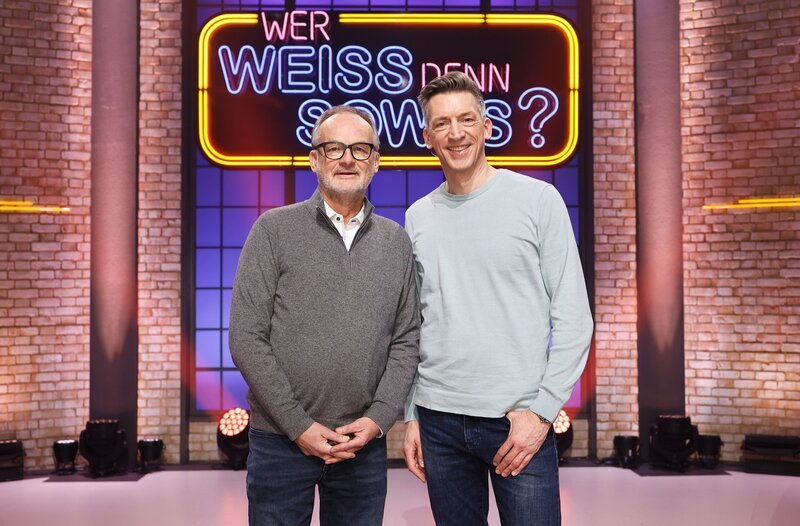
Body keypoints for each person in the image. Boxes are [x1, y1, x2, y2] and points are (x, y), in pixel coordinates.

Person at [402, 71, 593, 525]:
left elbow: (575, 319)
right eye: (442, 123)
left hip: (518, 419)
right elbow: (413, 325)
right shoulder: (418, 217)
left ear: (487, 127)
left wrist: (542, 413)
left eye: (466, 119)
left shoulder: (538, 200)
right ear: (428, 138)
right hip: (438, 419)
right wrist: (411, 414)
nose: (456, 133)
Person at [229, 105, 420, 526]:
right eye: (334, 148)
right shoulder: (273, 230)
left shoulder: (396, 242)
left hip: (361, 445)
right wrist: (298, 425)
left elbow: (406, 338)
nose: (347, 159)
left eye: (360, 149)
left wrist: (378, 419)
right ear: (314, 160)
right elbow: (246, 337)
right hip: (280, 442)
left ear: (375, 161)